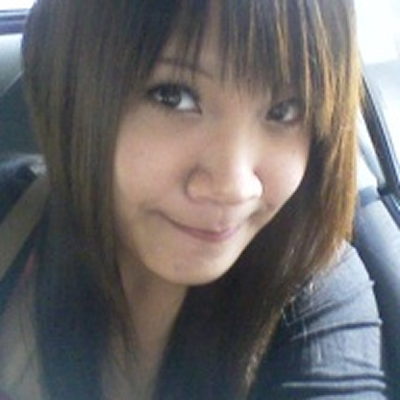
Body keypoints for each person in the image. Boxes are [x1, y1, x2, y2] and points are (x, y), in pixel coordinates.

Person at [0, 0, 388, 399]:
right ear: (69, 88)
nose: (234, 187)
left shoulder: (314, 284)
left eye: (284, 110)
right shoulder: (11, 215)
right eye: (173, 97)